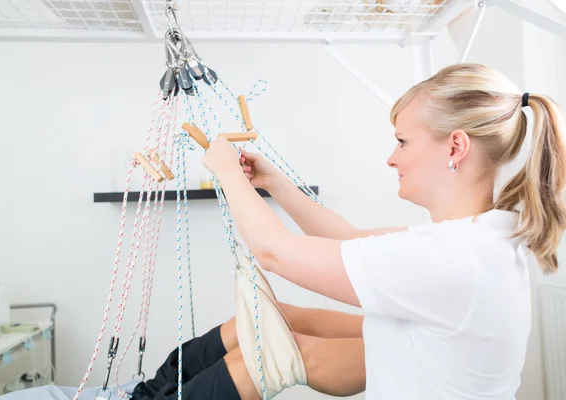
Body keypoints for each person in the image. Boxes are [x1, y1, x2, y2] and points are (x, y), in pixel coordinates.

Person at [134, 63, 566, 400]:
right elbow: (351, 240)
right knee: (280, 318)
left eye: (402, 142)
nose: (391, 159)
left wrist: (225, 171)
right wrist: (274, 184)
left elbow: (274, 253)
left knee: (275, 343)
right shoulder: (477, 239)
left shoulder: (453, 256)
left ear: (455, 146)